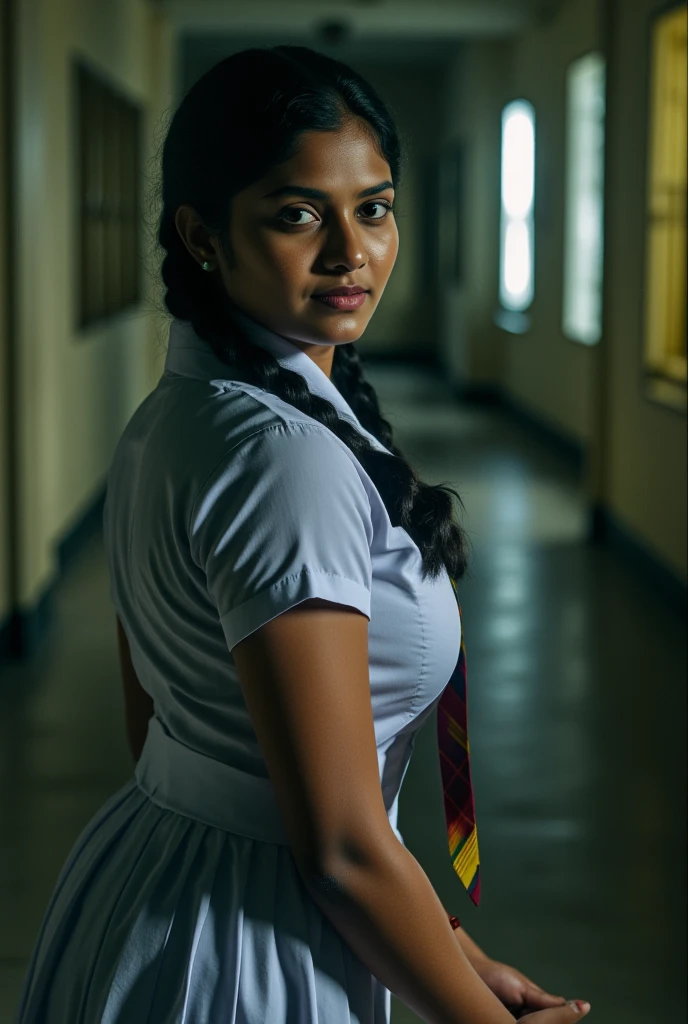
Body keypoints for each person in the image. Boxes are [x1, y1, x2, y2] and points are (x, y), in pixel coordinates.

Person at [15, 46, 592, 1024]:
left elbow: (159, 728)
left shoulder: (181, 413)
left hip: (159, 885)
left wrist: (448, 946)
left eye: (373, 207)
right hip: (245, 942)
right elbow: (340, 845)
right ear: (201, 235)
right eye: (296, 214)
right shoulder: (284, 457)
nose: (349, 251)